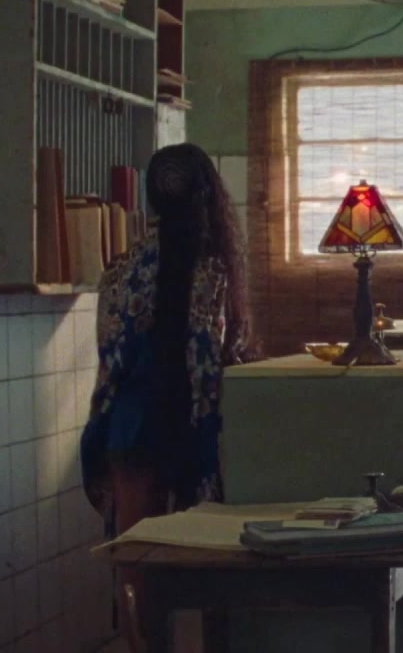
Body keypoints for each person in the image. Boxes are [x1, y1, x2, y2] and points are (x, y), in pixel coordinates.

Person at [79, 143, 259, 635]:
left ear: (152, 198)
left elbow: (109, 359)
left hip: (131, 430)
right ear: (209, 195)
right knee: (211, 561)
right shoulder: (217, 269)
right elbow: (229, 353)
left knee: (137, 565)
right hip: (199, 433)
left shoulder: (122, 269)